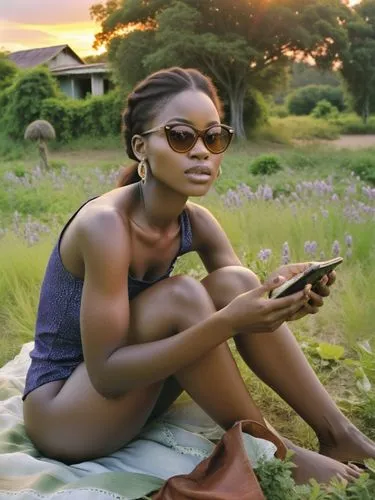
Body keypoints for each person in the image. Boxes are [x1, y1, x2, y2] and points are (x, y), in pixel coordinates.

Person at [23, 67, 375, 485]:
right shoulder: (105, 226)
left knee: (238, 280)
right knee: (181, 296)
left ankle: (338, 433)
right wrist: (228, 321)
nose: (201, 151)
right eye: (181, 136)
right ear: (141, 148)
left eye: (213, 137)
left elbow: (242, 301)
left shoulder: (197, 222)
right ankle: (275, 453)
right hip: (66, 414)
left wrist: (283, 298)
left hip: (131, 394)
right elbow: (105, 373)